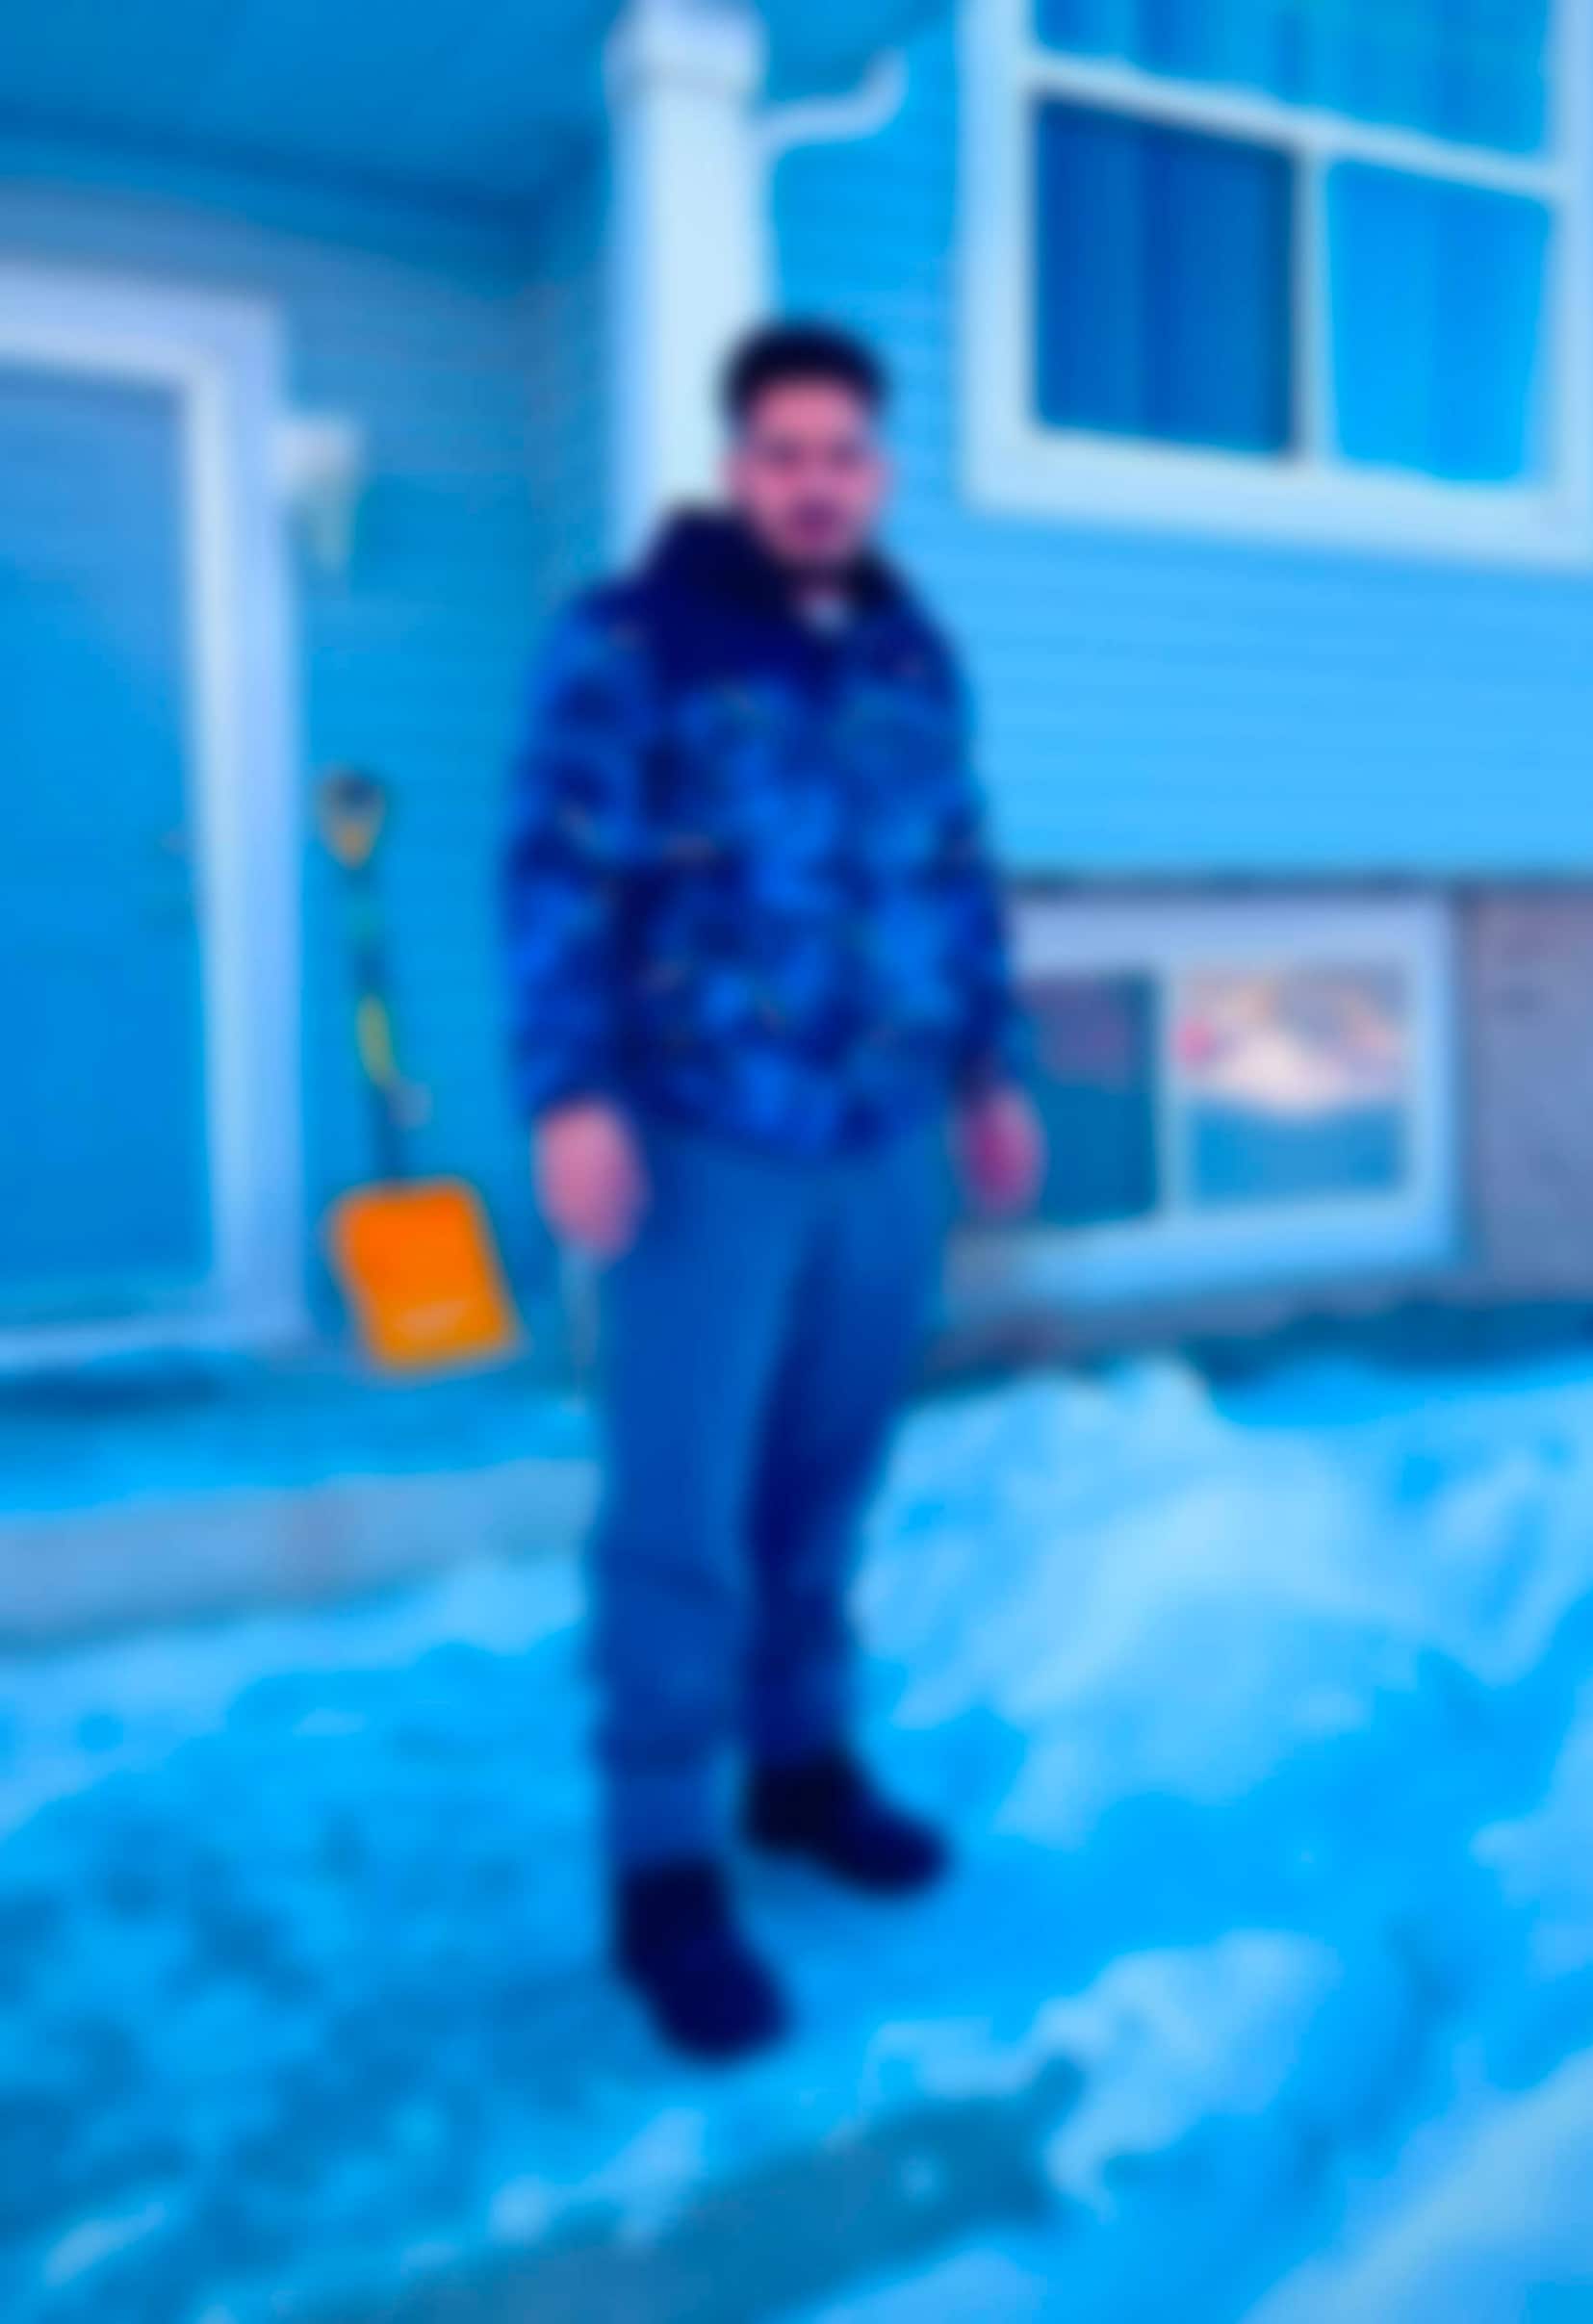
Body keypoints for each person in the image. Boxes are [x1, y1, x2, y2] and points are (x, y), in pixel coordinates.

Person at [503, 322, 1043, 2060]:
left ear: (879, 471)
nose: (816, 483)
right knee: (684, 1506)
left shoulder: (910, 654)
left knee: (825, 1478)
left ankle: (799, 1771)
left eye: (844, 454)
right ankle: (664, 1866)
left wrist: (990, 1070)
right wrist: (572, 1095)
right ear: (739, 467)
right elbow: (556, 872)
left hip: (885, 1134)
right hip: (705, 1137)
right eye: (784, 453)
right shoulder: (632, 639)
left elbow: (956, 872)